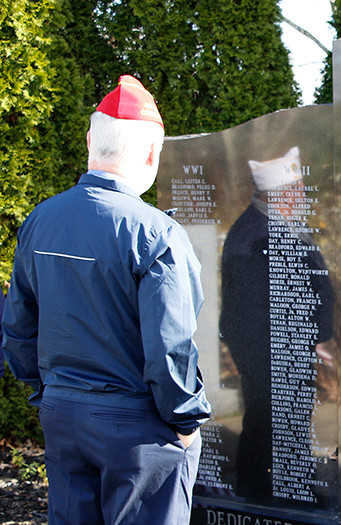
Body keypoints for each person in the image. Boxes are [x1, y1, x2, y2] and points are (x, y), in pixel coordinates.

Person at [1, 75, 211, 524]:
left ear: (89, 142)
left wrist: (49, 393)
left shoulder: (41, 219)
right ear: (151, 153)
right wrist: (186, 422)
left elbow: (18, 326)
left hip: (63, 414)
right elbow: (170, 346)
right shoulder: (156, 233)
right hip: (138, 427)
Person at [219, 147, 335, 503]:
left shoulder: (273, 224)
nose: (301, 196)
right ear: (278, 194)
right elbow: (260, 303)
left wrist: (314, 334)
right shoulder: (258, 234)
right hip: (271, 345)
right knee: (275, 416)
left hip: (284, 340)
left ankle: (273, 485)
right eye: (296, 189)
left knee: (281, 415)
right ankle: (275, 489)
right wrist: (304, 336)